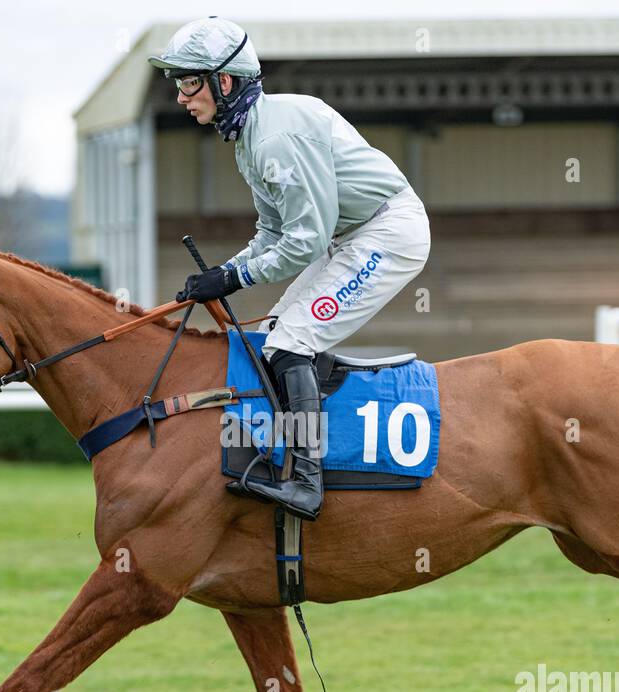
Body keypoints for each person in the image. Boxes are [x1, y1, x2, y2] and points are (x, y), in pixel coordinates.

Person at [150, 16, 431, 521]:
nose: (181, 97)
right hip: (349, 235)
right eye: (179, 84)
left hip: (388, 232)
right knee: (278, 333)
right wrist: (222, 272)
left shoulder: (276, 138)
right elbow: (271, 233)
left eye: (190, 82)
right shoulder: (250, 137)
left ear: (225, 81)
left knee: (290, 342)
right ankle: (297, 456)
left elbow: (306, 240)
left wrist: (233, 279)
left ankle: (307, 482)